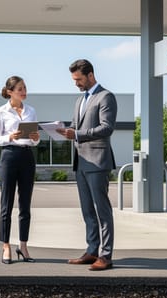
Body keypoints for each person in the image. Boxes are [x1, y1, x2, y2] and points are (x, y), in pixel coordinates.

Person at [58, 59, 117, 271]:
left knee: (102, 211)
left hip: (98, 161)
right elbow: (76, 127)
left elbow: (106, 128)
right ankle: (92, 251)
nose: (76, 83)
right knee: (87, 211)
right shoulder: (79, 100)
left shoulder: (106, 97)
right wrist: (64, 130)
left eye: (79, 79)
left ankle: (106, 255)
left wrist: (78, 134)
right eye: (74, 79)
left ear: (90, 75)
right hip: (81, 162)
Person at [0, 75, 40, 264]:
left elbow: (35, 141)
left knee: (25, 205)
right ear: (10, 92)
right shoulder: (0, 112)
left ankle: (23, 246)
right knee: (7, 204)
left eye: (25, 88)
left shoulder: (31, 111)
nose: (24, 91)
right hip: (9, 156)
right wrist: (10, 137)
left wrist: (36, 138)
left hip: (28, 156)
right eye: (20, 89)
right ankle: (6, 246)